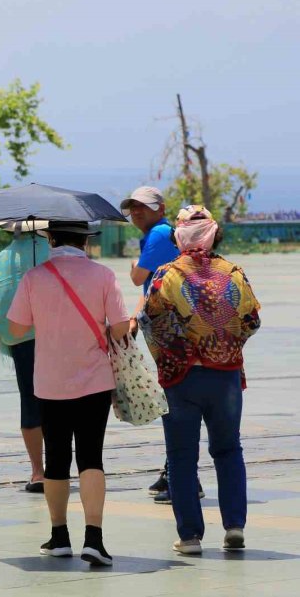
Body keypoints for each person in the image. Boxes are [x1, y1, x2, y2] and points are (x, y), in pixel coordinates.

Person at [7, 221, 129, 567]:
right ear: (85, 241)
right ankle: (94, 539)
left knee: (56, 458)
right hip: (94, 382)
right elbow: (120, 327)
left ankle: (59, 536)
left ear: (51, 239)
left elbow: (15, 328)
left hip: (50, 382)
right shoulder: (103, 275)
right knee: (91, 456)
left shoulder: (34, 277)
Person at [141, 206, 261, 555]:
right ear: (214, 234)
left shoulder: (167, 274)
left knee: (181, 457)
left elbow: (149, 320)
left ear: (179, 237)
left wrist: (170, 352)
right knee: (228, 449)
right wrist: (225, 343)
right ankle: (234, 526)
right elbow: (252, 320)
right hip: (225, 378)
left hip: (181, 378)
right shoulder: (234, 273)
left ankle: (190, 536)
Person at [120, 186, 202, 503]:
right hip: (172, 330)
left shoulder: (158, 234)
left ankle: (185, 479)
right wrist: (135, 317)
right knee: (174, 403)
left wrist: (133, 271)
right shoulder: (161, 234)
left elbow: (139, 278)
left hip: (173, 335)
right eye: (132, 208)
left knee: (176, 405)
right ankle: (174, 471)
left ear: (161, 209)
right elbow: (151, 287)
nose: (136, 213)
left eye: (143, 207)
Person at [0, 222, 50, 493]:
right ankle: (60, 466)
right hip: (56, 336)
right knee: (60, 401)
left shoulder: (4, 257)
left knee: (29, 399)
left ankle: (38, 471)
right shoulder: (52, 252)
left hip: (20, 338)